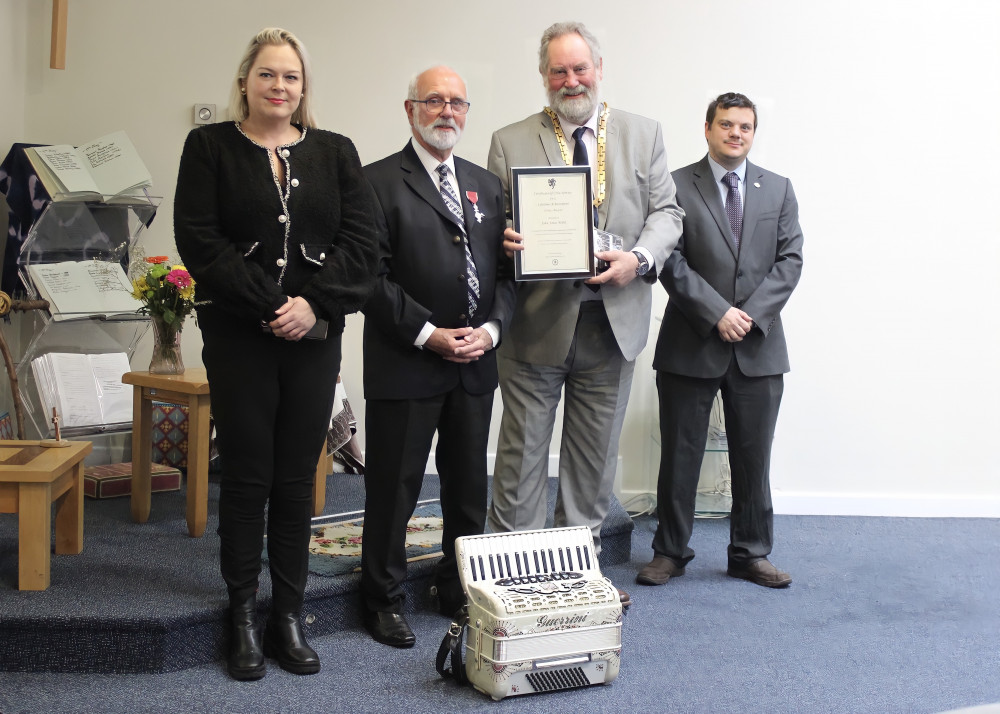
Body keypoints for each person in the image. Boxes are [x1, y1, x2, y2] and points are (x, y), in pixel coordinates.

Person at [174, 28, 377, 679]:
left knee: (296, 480)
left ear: (302, 87)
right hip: (239, 338)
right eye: (268, 75)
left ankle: (287, 613)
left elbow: (362, 244)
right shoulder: (209, 147)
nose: (279, 87)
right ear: (245, 81)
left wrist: (313, 306)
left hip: (316, 341)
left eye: (291, 77)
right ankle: (241, 612)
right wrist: (272, 304)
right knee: (247, 475)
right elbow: (200, 242)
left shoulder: (336, 152)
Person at [486, 22, 683, 594]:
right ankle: (512, 582)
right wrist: (504, 236)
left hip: (613, 321)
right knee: (521, 456)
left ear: (599, 68)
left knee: (592, 463)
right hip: (536, 322)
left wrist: (640, 260)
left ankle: (574, 578)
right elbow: (494, 223)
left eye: (580, 68)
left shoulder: (643, 134)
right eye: (558, 71)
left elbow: (667, 213)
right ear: (544, 77)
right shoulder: (509, 139)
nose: (571, 80)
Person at [360, 66, 514, 648]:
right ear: (410, 109)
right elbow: (369, 280)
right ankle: (382, 598)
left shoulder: (486, 185)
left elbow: (506, 274)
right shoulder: (375, 182)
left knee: (468, 490)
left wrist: (494, 330)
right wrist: (429, 334)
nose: (446, 111)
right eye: (434, 101)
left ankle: (457, 588)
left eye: (457, 103)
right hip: (408, 362)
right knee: (394, 488)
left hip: (475, 363)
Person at [638, 92, 803, 589]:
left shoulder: (778, 189)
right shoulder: (675, 186)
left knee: (754, 457)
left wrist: (747, 316)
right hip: (691, 342)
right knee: (681, 455)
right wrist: (717, 314)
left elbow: (790, 260)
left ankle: (750, 553)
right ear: (707, 129)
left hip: (759, 347)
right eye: (726, 125)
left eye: (745, 127)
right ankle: (669, 550)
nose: (735, 133)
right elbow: (669, 258)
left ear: (754, 133)